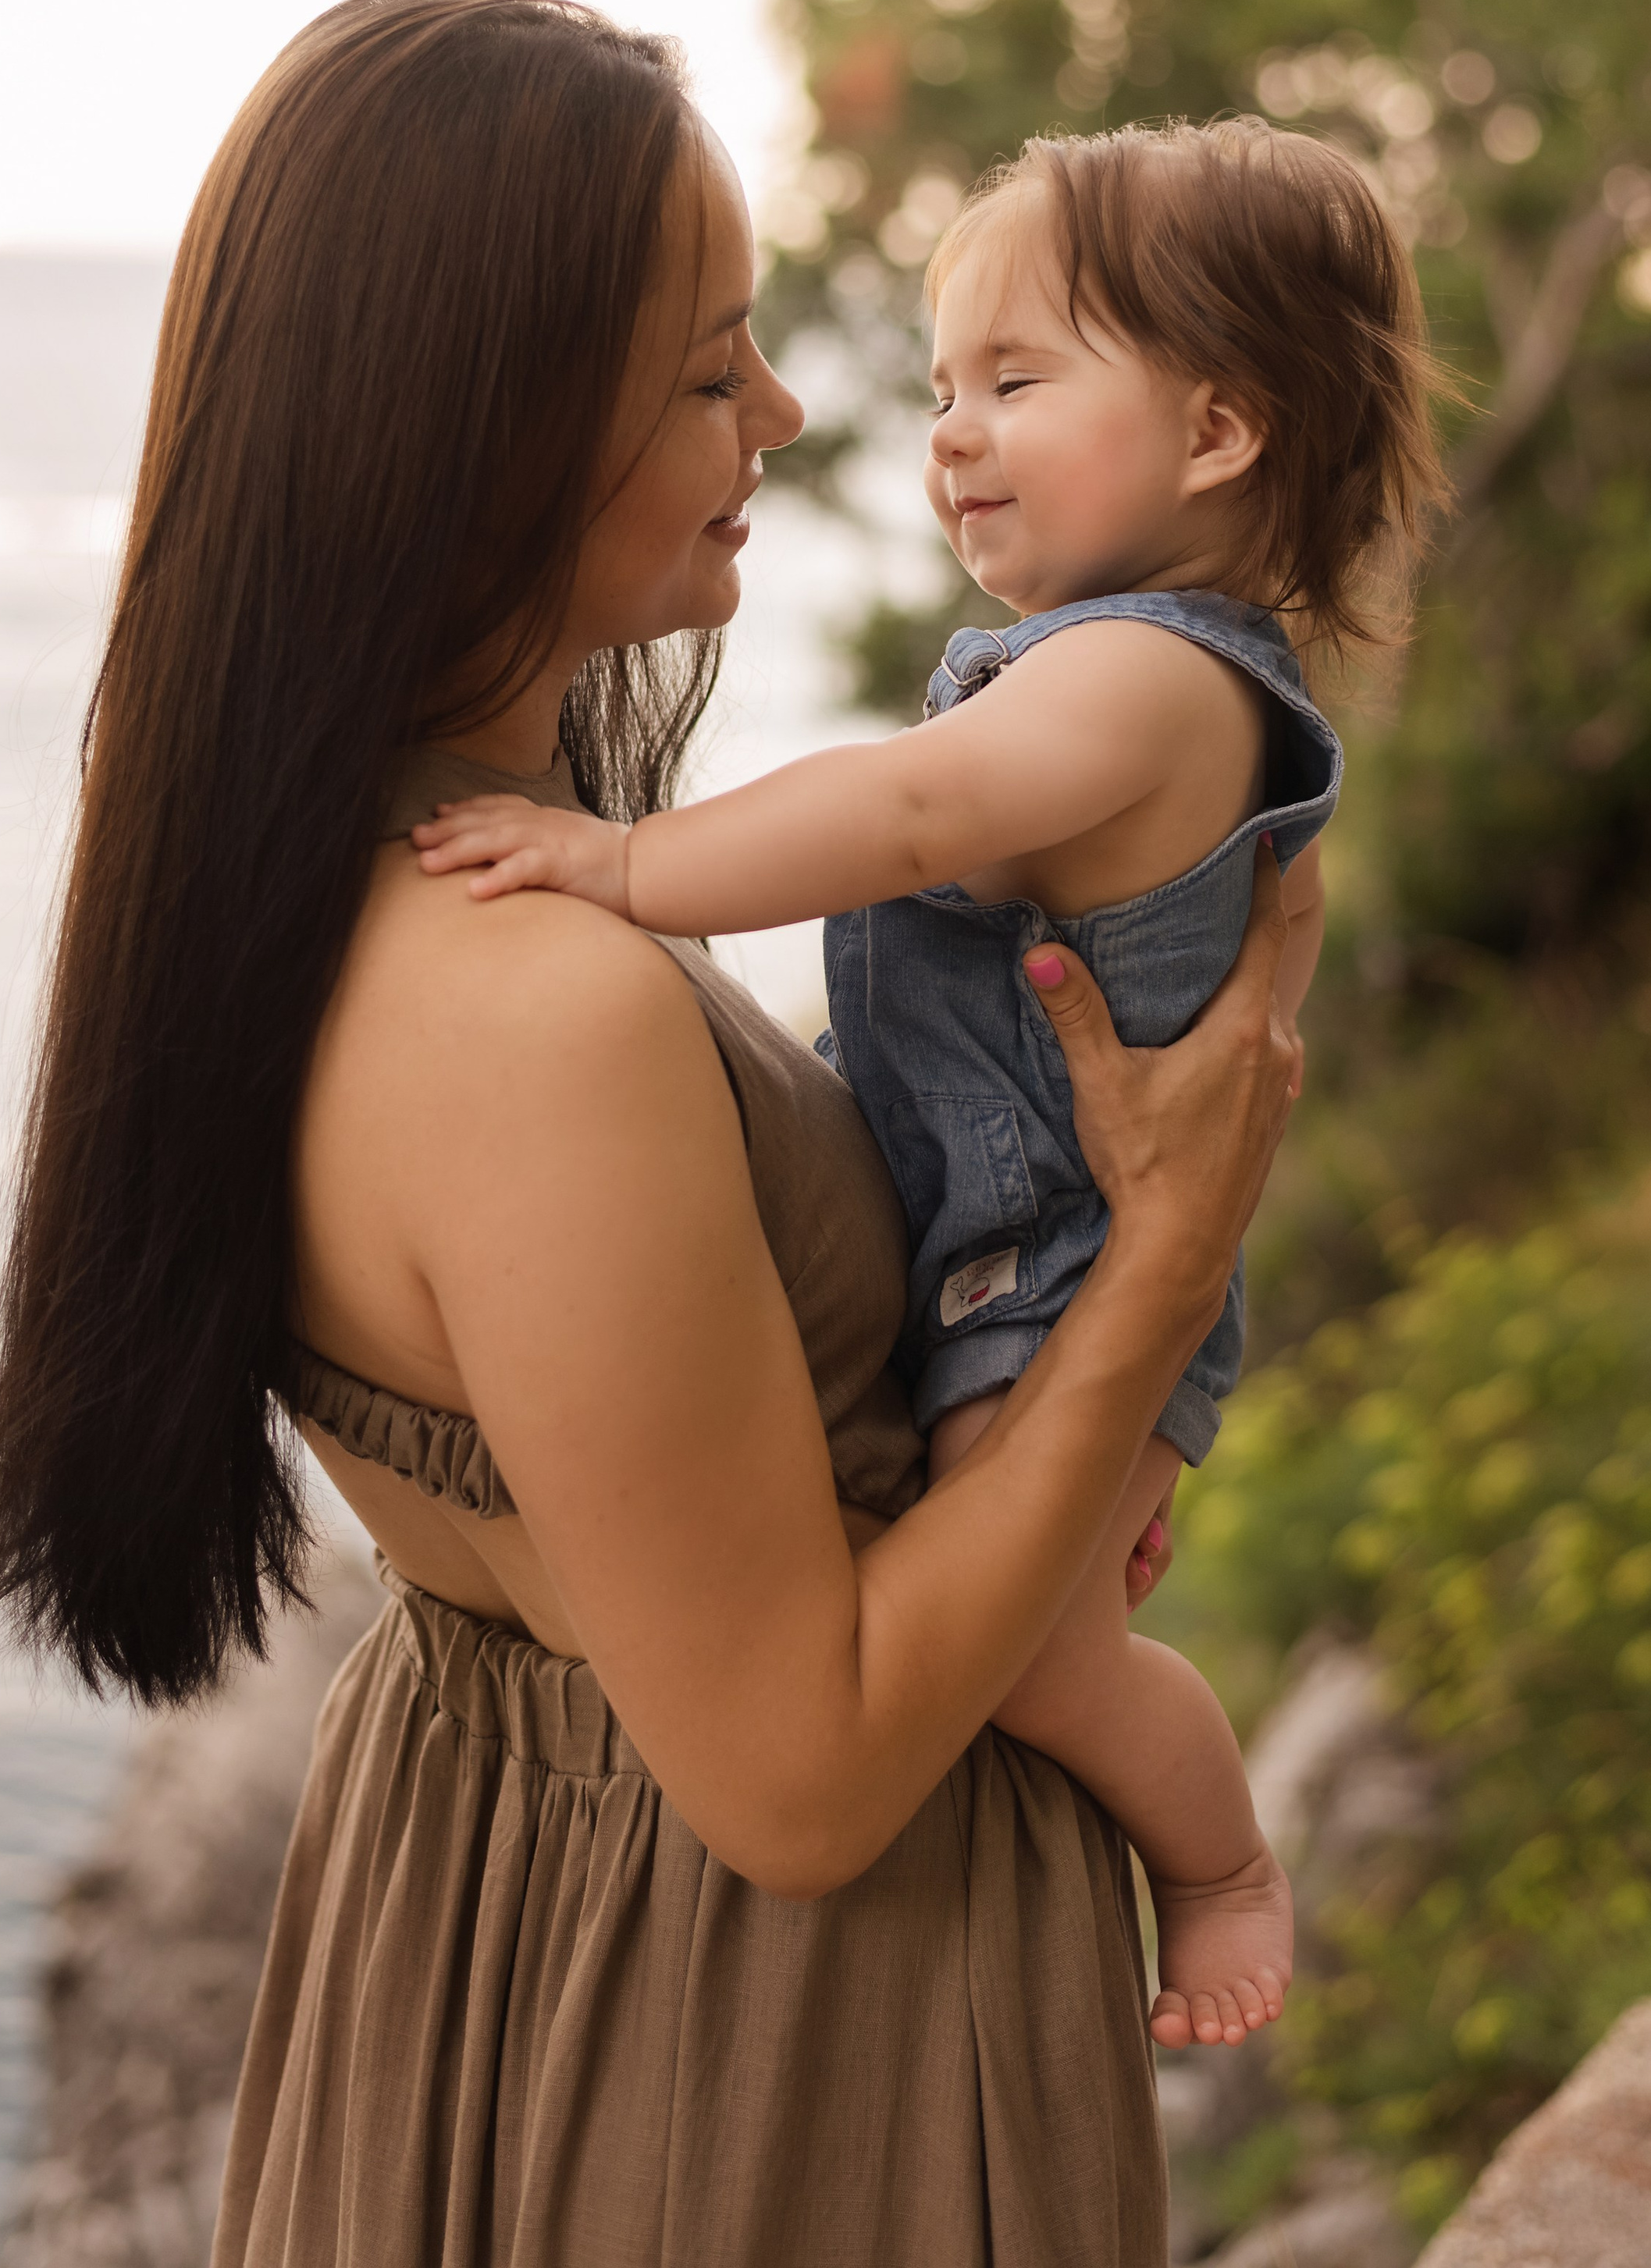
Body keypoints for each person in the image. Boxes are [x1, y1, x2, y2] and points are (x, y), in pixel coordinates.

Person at [0, 0, 1304, 2268]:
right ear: (485, 434)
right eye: (705, 370)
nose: (783, 411)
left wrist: (1017, 1484)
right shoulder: (536, 1009)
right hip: (772, 2036)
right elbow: (800, 1770)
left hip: (499, 1914)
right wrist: (1161, 1265)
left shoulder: (311, 899)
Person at [410, 116, 1445, 2056]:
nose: (947, 435)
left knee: (1033, 1659)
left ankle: (1219, 1859)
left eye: (1015, 383)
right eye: (946, 387)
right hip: (996, 1239)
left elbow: (901, 813)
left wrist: (619, 864)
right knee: (986, 1591)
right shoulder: (1114, 671)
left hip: (1048, 1270)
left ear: (1217, 432)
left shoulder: (1149, 682)